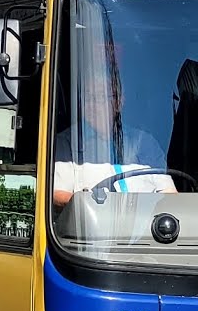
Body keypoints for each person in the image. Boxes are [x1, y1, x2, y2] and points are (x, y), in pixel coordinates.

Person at [51, 60, 176, 209]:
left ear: (118, 102)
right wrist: (91, 204)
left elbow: (169, 194)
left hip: (146, 226)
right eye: (87, 98)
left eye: (100, 97)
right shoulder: (66, 142)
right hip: (94, 228)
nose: (91, 104)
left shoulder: (144, 142)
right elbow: (57, 193)